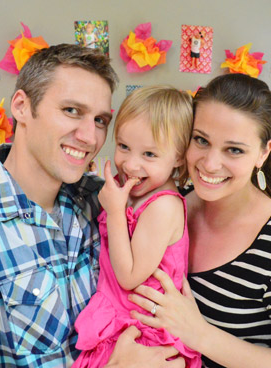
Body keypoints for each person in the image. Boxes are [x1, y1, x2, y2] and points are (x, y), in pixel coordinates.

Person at [0, 44, 184, 368]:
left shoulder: (98, 200)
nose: (90, 137)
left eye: (101, 119)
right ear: (21, 106)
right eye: (72, 111)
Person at [129, 74, 271, 368]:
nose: (210, 164)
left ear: (263, 153)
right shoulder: (171, 204)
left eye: (234, 149)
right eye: (201, 140)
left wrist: (201, 335)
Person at [72, 87, 201, 368]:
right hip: (120, 320)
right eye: (123, 147)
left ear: (179, 157)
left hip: (144, 334)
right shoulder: (133, 192)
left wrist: (116, 212)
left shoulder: (163, 207)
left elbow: (129, 277)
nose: (131, 164)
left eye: (150, 154)